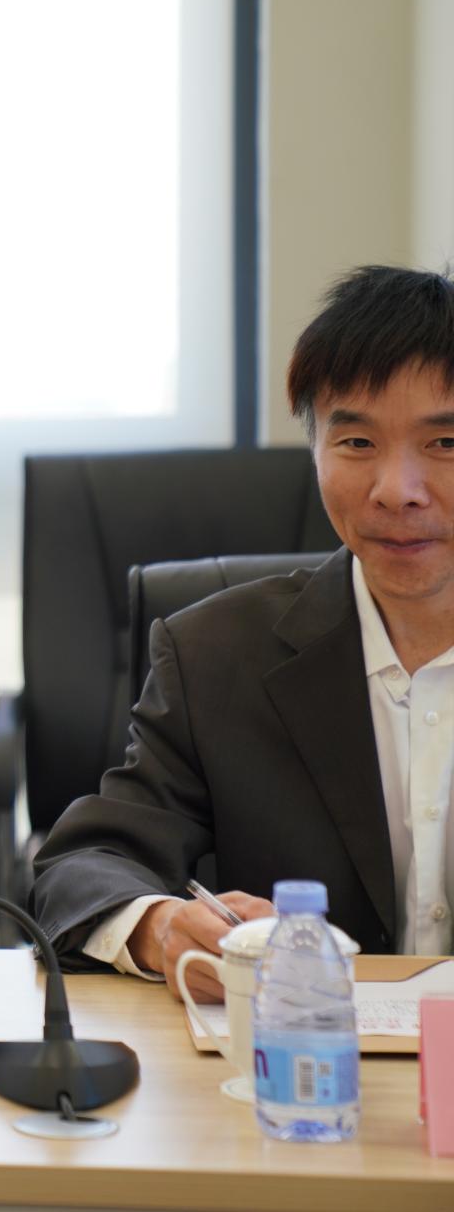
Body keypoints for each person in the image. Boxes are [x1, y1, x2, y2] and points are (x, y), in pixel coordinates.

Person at [34, 265, 454, 1001]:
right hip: (290, 1055)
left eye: (445, 442)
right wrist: (161, 925)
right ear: (315, 451)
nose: (397, 490)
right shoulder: (215, 656)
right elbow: (83, 866)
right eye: (356, 442)